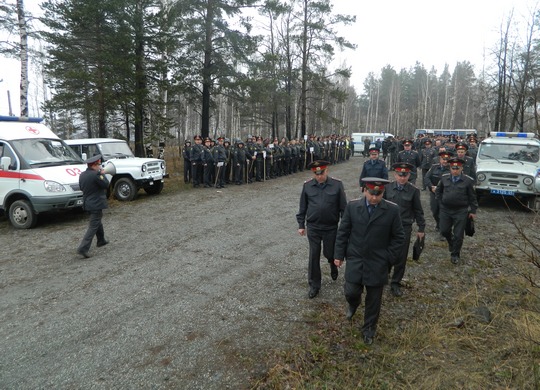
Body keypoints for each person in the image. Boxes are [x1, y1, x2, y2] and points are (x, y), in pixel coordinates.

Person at [334, 178, 405, 345]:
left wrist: (389, 258)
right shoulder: (352, 207)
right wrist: (338, 255)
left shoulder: (392, 210)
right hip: (356, 258)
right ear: (364, 191)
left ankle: (369, 329)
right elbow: (343, 232)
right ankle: (354, 304)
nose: (374, 198)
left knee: (374, 300)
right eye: (371, 193)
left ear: (383, 192)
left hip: (378, 262)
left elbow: (399, 237)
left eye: (378, 194)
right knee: (351, 291)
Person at [296, 160, 347, 299]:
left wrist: (345, 227)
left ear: (327, 171)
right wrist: (301, 225)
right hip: (313, 226)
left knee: (329, 252)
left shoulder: (336, 185)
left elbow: (344, 208)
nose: (319, 176)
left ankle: (332, 264)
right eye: (316, 174)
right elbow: (302, 207)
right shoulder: (307, 186)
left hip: (330, 227)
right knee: (314, 254)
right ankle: (314, 285)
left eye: (321, 173)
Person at [384, 163, 426, 297]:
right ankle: (385, 275)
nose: (402, 178)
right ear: (395, 175)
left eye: (405, 175)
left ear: (409, 175)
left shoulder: (413, 191)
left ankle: (396, 282)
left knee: (401, 256)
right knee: (386, 252)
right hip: (388, 227)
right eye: (399, 175)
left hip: (404, 227)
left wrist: (421, 228)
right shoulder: (387, 188)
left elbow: (418, 211)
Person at [435, 157, 478, 264]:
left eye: (457, 168)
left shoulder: (468, 180)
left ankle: (455, 254)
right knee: (444, 230)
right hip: (445, 209)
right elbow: (438, 192)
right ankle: (451, 241)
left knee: (458, 234)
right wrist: (441, 203)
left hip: (461, 210)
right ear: (450, 168)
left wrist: (473, 211)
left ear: (461, 168)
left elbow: (472, 197)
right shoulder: (444, 178)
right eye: (453, 168)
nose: (455, 170)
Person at [77, 154, 110, 258]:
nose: (99, 166)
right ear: (94, 165)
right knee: (93, 225)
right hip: (96, 203)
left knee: (97, 221)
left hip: (87, 203)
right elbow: (106, 184)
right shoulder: (96, 175)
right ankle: (83, 248)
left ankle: (101, 240)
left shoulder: (82, 174)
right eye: (98, 165)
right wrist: (102, 173)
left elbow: (81, 187)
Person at [424, 150, 452, 236]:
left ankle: (442, 229)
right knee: (435, 211)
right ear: (440, 159)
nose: (445, 161)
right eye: (443, 159)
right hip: (434, 192)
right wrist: (431, 186)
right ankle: (438, 223)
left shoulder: (452, 169)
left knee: (444, 212)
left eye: (447, 160)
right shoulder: (433, 167)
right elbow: (426, 178)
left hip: (446, 194)